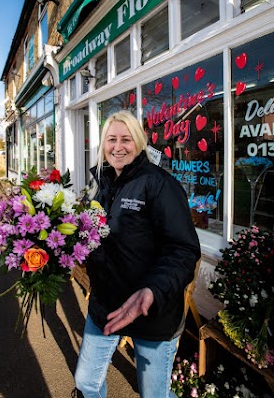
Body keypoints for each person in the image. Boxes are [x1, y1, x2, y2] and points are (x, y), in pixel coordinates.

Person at [73, 110, 201, 398]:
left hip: (153, 310)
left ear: (140, 142)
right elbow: (99, 238)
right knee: (86, 384)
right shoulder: (101, 185)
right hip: (107, 302)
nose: (117, 147)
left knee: (154, 394)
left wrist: (152, 290)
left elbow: (184, 250)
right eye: (111, 139)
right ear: (102, 145)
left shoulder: (160, 185)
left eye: (126, 139)